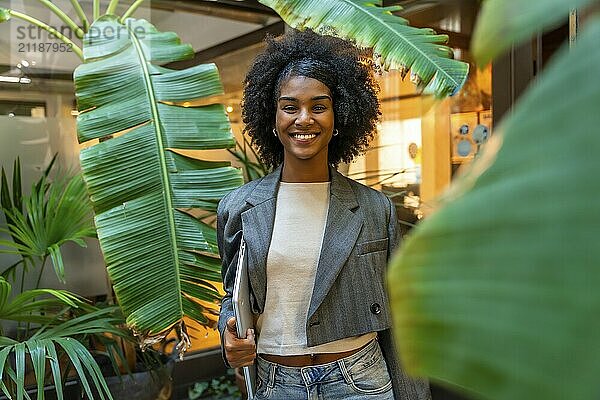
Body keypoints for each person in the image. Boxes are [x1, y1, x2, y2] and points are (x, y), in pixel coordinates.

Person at [217, 29, 431, 400]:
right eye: (290, 107)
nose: (304, 119)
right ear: (272, 118)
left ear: (338, 117)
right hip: (276, 382)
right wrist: (228, 334)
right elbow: (232, 296)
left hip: (359, 380)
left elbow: (400, 315)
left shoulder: (373, 207)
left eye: (318, 106)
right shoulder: (238, 207)